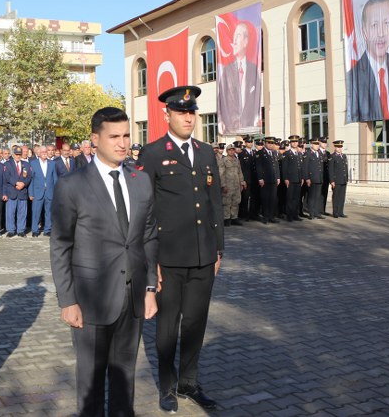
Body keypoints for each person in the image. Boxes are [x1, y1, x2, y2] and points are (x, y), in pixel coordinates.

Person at [50, 107, 158, 416]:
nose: (122, 143)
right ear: (95, 139)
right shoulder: (72, 185)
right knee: (91, 385)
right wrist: (67, 300)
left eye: (126, 135)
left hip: (133, 297)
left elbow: (149, 236)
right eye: (114, 137)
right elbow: (60, 245)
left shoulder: (140, 180)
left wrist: (150, 288)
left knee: (125, 379)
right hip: (91, 300)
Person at [138, 86, 223, 412]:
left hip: (203, 256)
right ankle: (167, 386)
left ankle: (189, 382)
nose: (188, 117)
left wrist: (219, 250)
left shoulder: (205, 152)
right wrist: (151, 260)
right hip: (168, 259)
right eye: (181, 112)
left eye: (192, 112)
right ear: (167, 115)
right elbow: (145, 210)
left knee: (196, 323)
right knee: (167, 326)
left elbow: (213, 203)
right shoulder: (153, 153)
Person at [347, 0, 389, 122]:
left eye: (386, 23)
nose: (381, 33)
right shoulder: (354, 76)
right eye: (374, 25)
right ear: (365, 32)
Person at [218, 22, 261, 132]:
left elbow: (257, 98)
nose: (234, 41)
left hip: (249, 127)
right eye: (234, 36)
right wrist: (220, 120)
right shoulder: (227, 71)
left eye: (238, 35)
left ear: (246, 41)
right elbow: (221, 97)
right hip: (231, 127)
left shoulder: (253, 70)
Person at [4, 147, 31, 238]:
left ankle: (21, 230)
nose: (18, 156)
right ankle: (11, 230)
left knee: (22, 213)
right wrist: (16, 183)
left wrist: (23, 183)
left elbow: (29, 177)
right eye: (16, 154)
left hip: (22, 191)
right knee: (10, 212)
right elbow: (7, 176)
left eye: (19, 154)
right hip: (12, 192)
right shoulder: (7, 164)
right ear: (13, 154)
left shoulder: (26, 164)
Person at [29, 147, 57, 237]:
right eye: (43, 152)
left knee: (49, 212)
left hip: (50, 192)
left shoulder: (52, 163)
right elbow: (31, 180)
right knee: (36, 212)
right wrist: (31, 193)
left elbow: (55, 178)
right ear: (39, 153)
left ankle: (47, 229)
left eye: (46, 151)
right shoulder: (33, 163)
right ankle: (35, 230)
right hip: (37, 192)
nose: (45, 153)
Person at [256, 137, 280, 224]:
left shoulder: (274, 153)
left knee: (273, 198)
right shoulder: (260, 153)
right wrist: (260, 178)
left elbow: (276, 166)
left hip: (273, 179)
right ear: (265, 143)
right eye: (268, 143)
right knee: (265, 199)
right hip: (265, 180)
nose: (270, 144)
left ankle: (271, 216)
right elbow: (259, 167)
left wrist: (278, 177)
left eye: (271, 143)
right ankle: (265, 217)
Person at [219, 145, 245, 226]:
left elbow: (239, 172)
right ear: (227, 151)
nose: (231, 151)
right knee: (227, 202)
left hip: (236, 185)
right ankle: (226, 218)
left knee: (236, 202)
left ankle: (234, 218)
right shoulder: (223, 160)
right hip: (228, 185)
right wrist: (223, 185)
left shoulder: (237, 161)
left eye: (233, 150)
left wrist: (242, 182)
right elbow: (221, 173)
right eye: (229, 150)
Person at [281, 135, 304, 222]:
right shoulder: (287, 154)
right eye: (293, 142)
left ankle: (295, 214)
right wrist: (286, 178)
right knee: (290, 198)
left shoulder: (299, 153)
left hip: (298, 179)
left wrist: (302, 178)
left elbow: (300, 167)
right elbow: (284, 167)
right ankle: (289, 216)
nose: (295, 143)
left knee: (297, 198)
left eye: (296, 142)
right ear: (290, 143)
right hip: (290, 179)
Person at [303, 138, 325, 220]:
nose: (317, 146)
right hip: (311, 178)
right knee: (311, 196)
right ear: (312, 144)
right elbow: (305, 167)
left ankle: (316, 212)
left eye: (318, 144)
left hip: (319, 178)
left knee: (317, 196)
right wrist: (307, 178)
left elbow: (320, 167)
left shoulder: (319, 154)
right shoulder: (308, 153)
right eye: (315, 144)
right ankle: (311, 213)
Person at [328, 140, 349, 218]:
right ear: (335, 147)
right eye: (338, 147)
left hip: (343, 179)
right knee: (336, 196)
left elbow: (345, 168)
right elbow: (331, 169)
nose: (340, 149)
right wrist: (332, 181)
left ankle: (341, 212)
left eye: (341, 147)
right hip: (336, 180)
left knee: (342, 196)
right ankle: (335, 212)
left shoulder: (343, 156)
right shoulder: (332, 156)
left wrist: (346, 178)